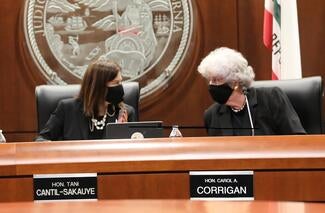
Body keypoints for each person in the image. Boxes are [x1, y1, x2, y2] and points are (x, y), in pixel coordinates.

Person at [197, 47, 306, 136]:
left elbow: (297, 140)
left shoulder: (271, 98)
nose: (211, 85)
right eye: (209, 80)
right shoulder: (212, 115)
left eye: (216, 80)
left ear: (235, 83)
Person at [36, 59, 136, 141]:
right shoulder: (67, 109)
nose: (120, 87)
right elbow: (42, 139)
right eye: (116, 83)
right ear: (98, 86)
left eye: (121, 82)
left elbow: (136, 148)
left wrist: (123, 134)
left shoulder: (125, 112)